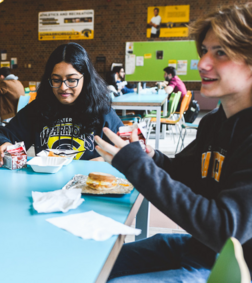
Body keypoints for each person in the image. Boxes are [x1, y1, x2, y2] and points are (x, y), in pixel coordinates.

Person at [94, 3, 252, 282]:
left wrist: (136, 166)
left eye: (221, 52)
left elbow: (225, 230)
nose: (202, 63)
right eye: (204, 50)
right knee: (94, 263)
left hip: (230, 270)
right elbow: (189, 175)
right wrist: (150, 156)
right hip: (199, 250)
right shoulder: (213, 123)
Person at [0, 42, 123, 163]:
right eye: (56, 80)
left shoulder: (102, 111)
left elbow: (128, 150)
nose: (63, 87)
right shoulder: (39, 109)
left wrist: (106, 159)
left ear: (85, 79)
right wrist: (3, 144)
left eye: (72, 80)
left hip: (89, 188)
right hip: (46, 190)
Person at [0, 67, 25, 132]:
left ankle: (0, 132)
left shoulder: (5, 83)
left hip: (10, 114)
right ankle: (2, 130)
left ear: (1, 76)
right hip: (18, 112)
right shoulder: (18, 82)